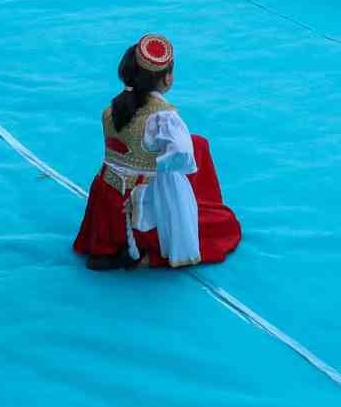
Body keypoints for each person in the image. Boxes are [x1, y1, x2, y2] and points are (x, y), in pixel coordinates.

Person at [72, 34, 241, 270]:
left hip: (108, 196)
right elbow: (182, 157)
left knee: (197, 143)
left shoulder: (112, 109)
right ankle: (150, 254)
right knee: (225, 225)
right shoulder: (164, 117)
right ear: (167, 78)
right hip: (139, 204)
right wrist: (161, 166)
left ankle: (108, 245)